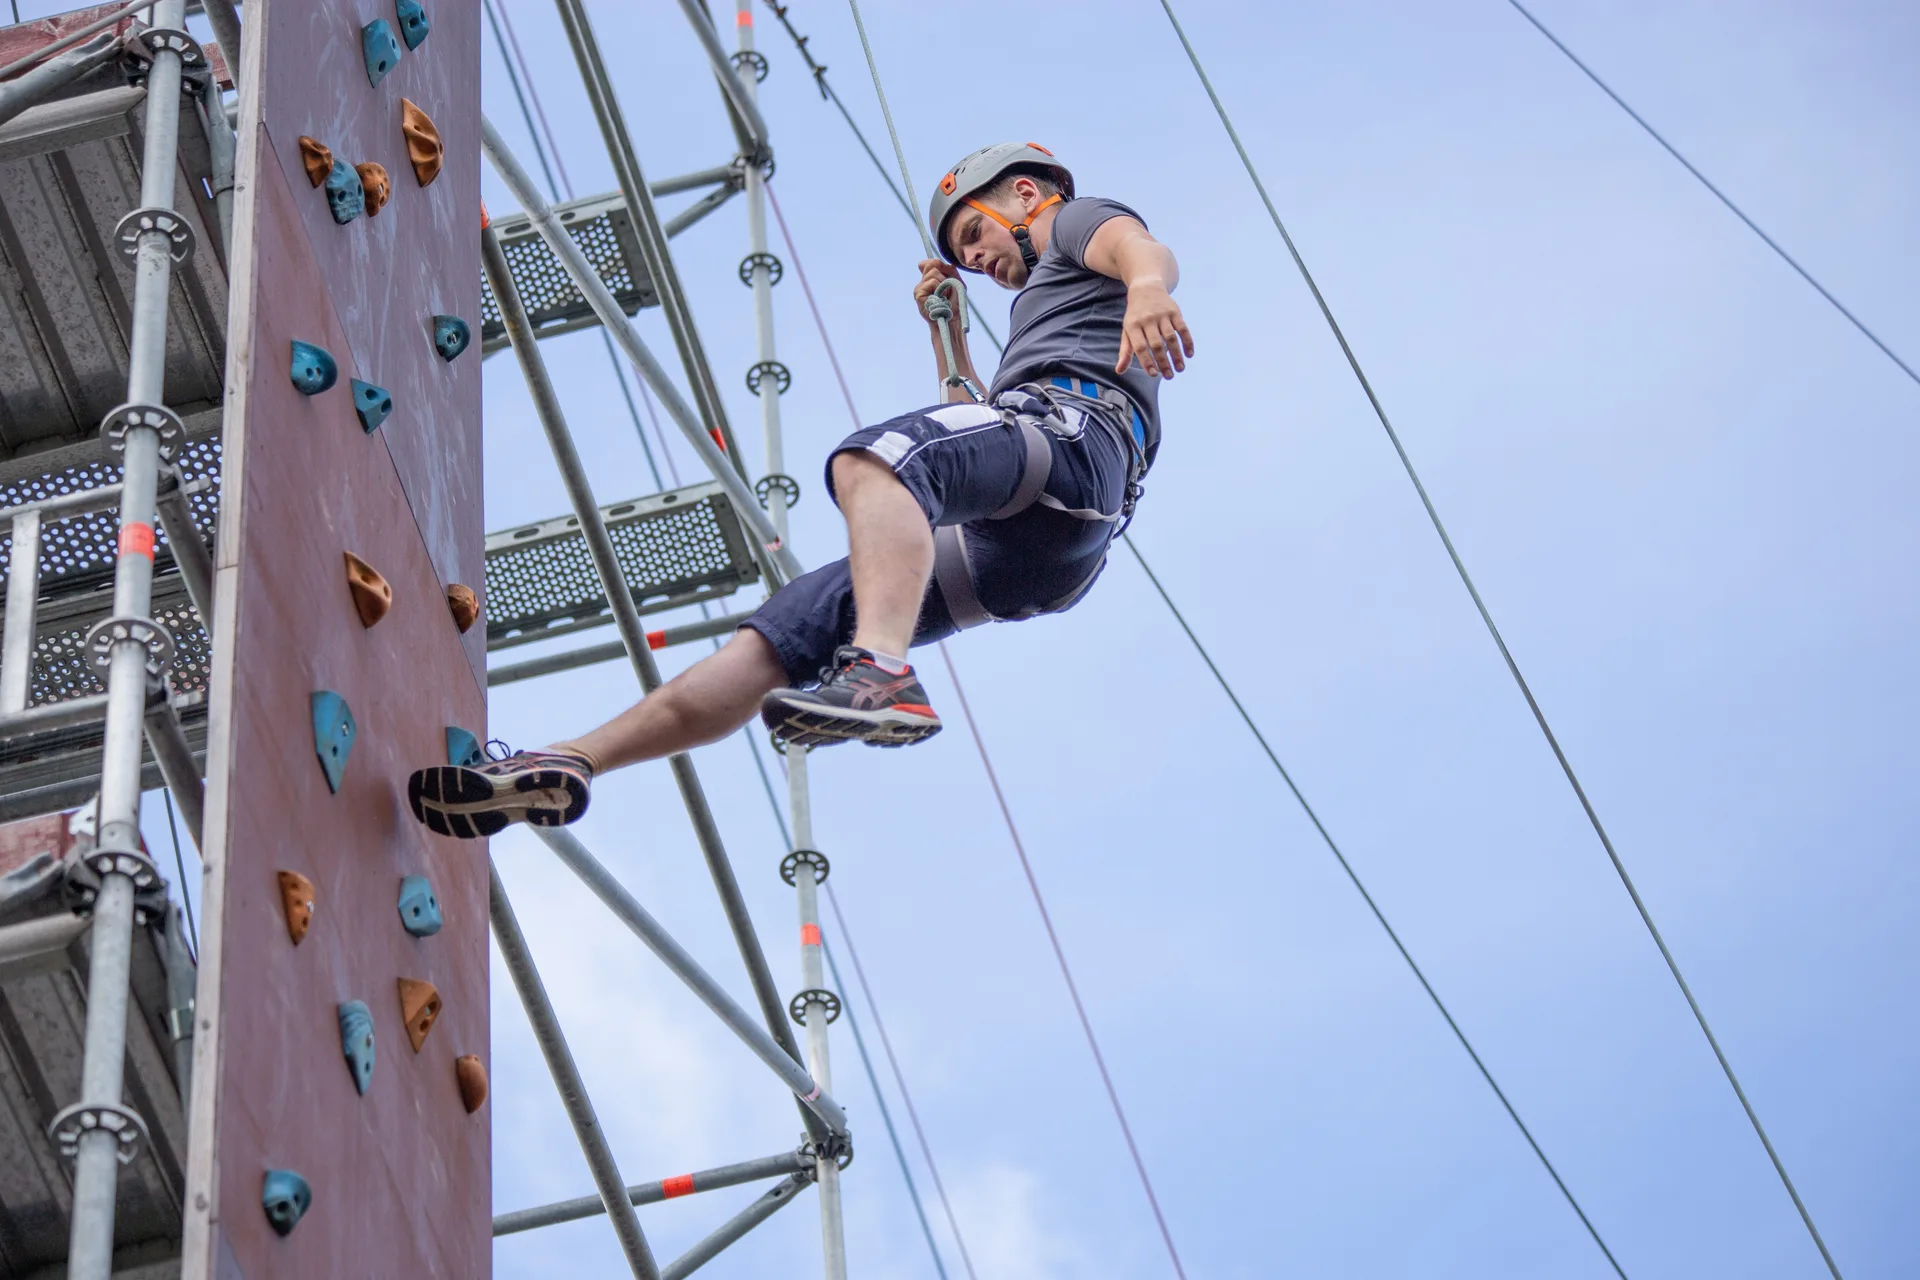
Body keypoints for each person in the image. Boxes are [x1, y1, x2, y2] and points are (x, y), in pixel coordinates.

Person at [409, 142, 1195, 838]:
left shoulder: (1070, 221)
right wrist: (948, 336)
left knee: (873, 460)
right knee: (786, 631)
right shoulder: (1048, 308)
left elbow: (1140, 248)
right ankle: (574, 758)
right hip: (1042, 543)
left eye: (972, 234)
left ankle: (880, 671)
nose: (973, 257)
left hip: (1070, 442)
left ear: (1024, 194)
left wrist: (1150, 291)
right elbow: (975, 438)